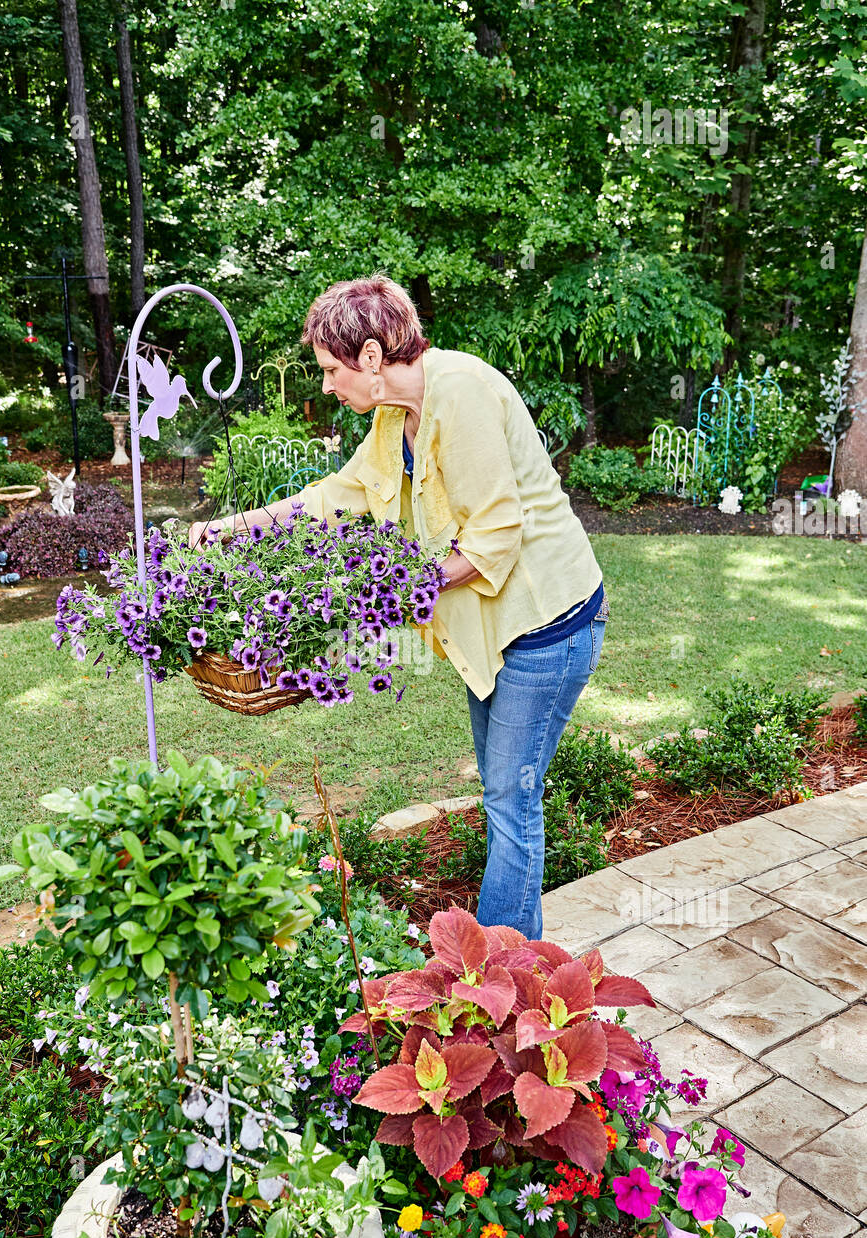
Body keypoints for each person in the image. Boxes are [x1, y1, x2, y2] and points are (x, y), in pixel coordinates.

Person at [189, 273, 608, 939]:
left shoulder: (461, 391)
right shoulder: (392, 417)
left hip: (546, 624)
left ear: (374, 358)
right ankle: (502, 964)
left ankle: (497, 971)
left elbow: (495, 536)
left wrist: (393, 594)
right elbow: (339, 494)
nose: (327, 385)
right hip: (495, 632)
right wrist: (235, 527)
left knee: (509, 799)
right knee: (503, 794)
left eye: (332, 369)